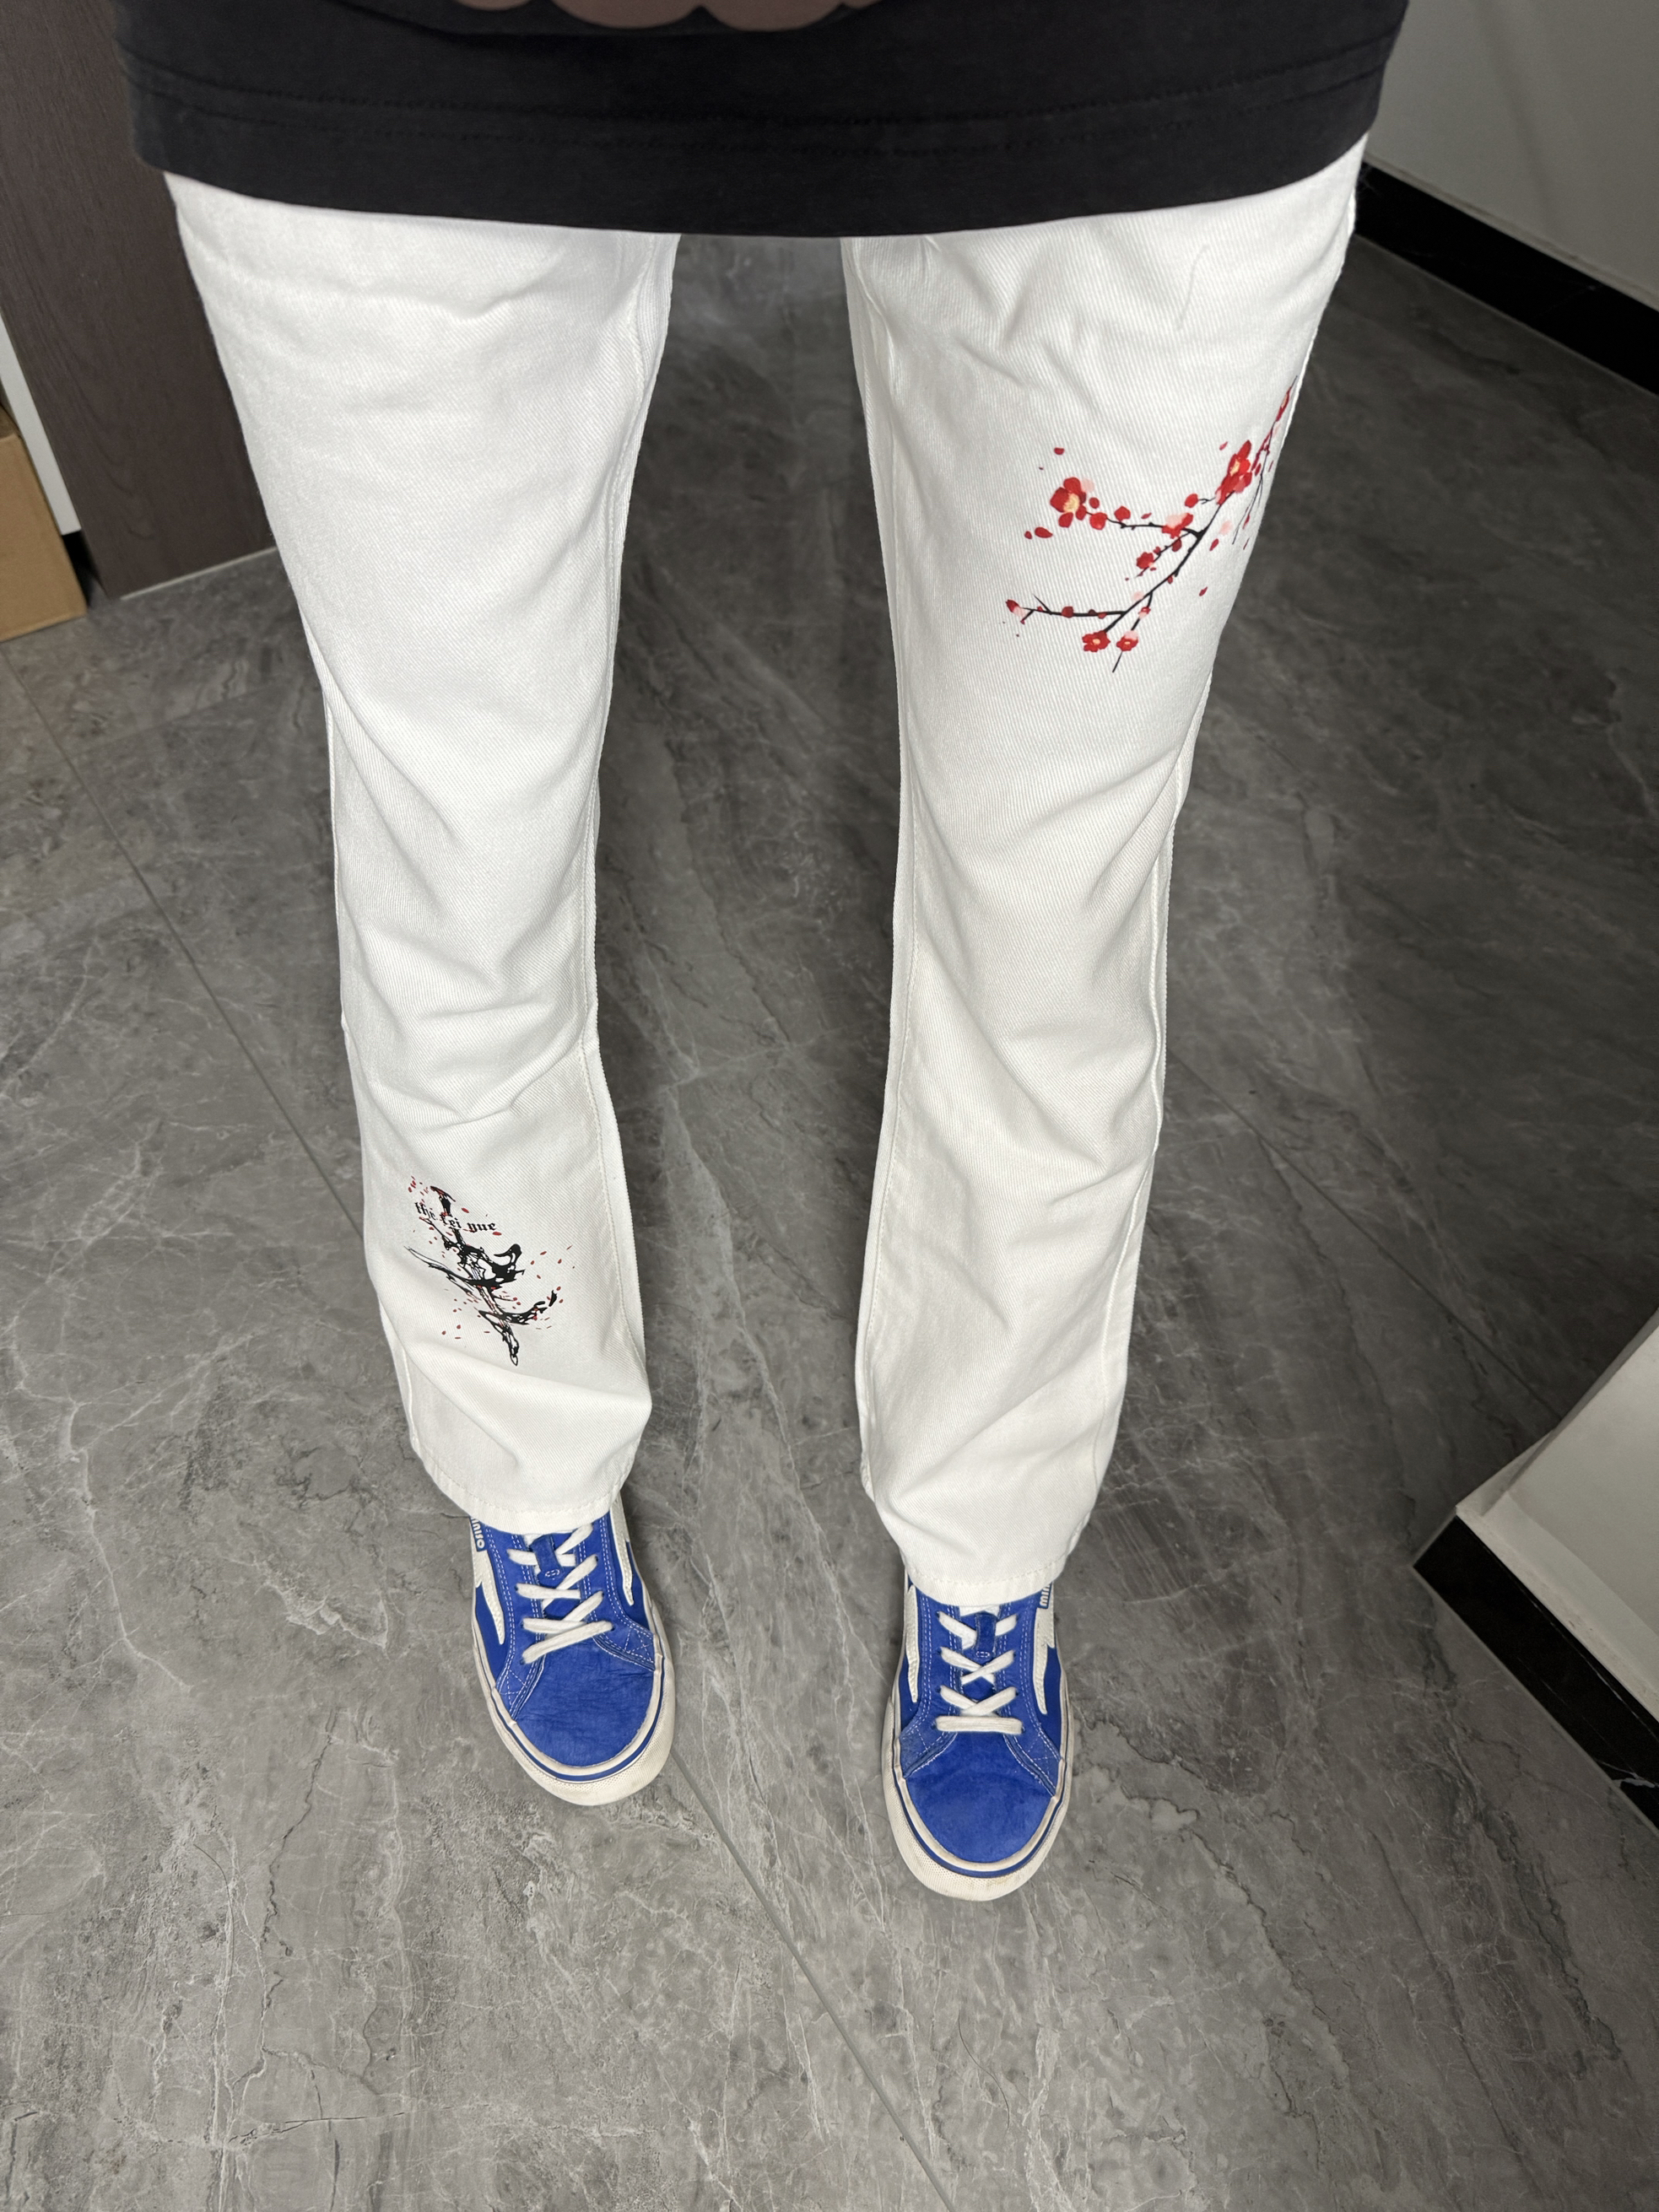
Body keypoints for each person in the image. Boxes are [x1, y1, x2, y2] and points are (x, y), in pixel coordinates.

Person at [111, 0, 1407, 1900]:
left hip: (1133, 53)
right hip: (387, 52)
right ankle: (524, 1455)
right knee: (457, 843)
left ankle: (988, 1522)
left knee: (1051, 879)